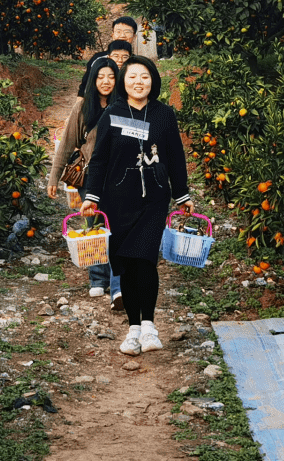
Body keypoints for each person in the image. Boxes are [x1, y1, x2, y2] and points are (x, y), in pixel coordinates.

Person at [80, 56, 191, 356]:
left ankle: (150, 324)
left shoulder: (164, 115)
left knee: (145, 260)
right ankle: (133, 330)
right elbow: (99, 160)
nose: (138, 82)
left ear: (153, 80)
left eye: (144, 76)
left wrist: (182, 195)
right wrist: (92, 196)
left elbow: (176, 157)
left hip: (154, 199)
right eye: (132, 77)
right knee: (126, 264)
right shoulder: (113, 114)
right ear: (123, 82)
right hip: (118, 200)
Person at [49, 57, 123, 302]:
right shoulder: (82, 107)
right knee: (92, 226)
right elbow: (67, 142)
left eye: (111, 77)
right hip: (90, 176)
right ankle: (97, 278)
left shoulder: (124, 105)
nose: (106, 81)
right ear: (93, 79)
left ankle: (117, 280)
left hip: (118, 176)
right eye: (101, 77)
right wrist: (53, 177)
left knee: (115, 226)